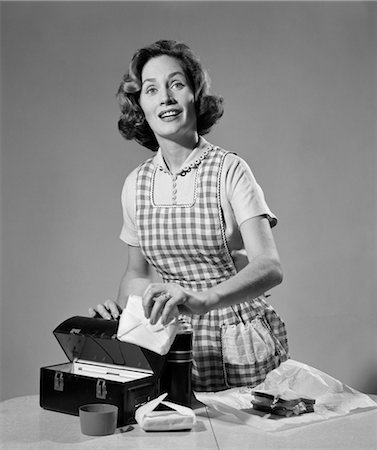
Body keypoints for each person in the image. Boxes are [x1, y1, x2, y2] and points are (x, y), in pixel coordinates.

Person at [89, 39, 289, 392]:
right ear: (141, 107)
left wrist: (203, 299)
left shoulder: (230, 170)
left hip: (235, 336)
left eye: (176, 84)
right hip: (170, 340)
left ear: (195, 95)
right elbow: (137, 273)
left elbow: (270, 267)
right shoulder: (136, 184)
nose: (165, 97)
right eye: (151, 89)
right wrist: (122, 315)